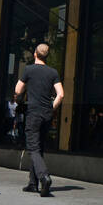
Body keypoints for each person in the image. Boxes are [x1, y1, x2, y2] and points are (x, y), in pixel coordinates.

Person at [15, 42, 63, 196]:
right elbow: (60, 94)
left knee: (33, 148)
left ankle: (44, 177)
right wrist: (51, 107)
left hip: (34, 113)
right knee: (39, 147)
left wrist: (20, 96)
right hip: (47, 114)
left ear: (35, 54)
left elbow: (18, 89)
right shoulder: (53, 72)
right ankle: (32, 183)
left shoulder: (29, 69)